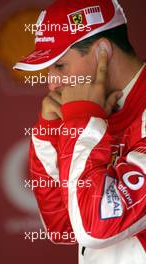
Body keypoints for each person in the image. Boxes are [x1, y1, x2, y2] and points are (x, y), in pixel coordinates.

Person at [14, 0, 146, 263]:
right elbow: (62, 227)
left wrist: (81, 120)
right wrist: (50, 134)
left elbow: (94, 228)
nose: (51, 82)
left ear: (102, 53)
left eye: (60, 66)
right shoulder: (94, 114)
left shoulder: (89, 117)